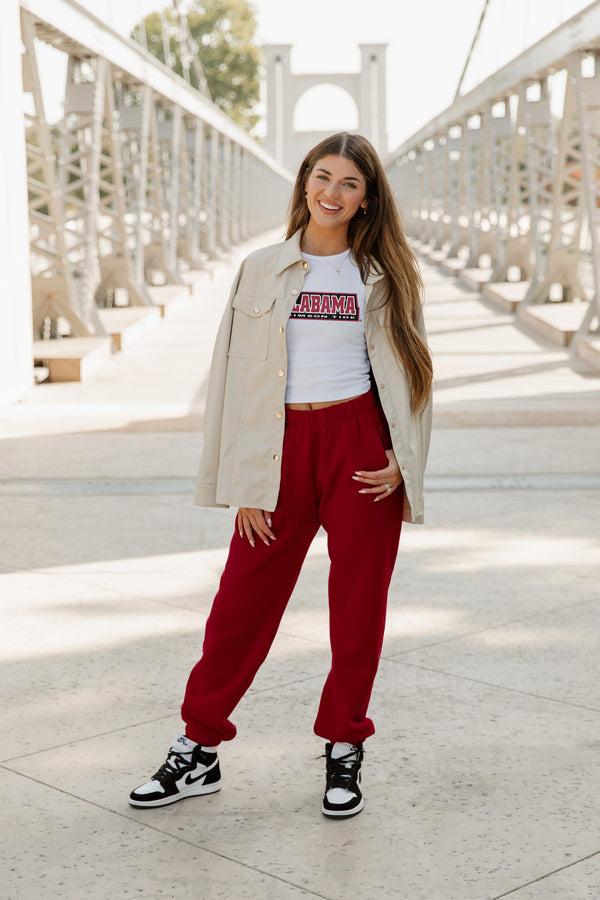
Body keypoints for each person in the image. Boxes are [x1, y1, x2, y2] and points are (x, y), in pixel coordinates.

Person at [129, 131, 434, 819]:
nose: (332, 192)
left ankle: (344, 748)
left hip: (359, 447)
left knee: (358, 610)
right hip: (280, 446)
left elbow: (416, 372)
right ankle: (198, 746)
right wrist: (243, 481)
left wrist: (401, 459)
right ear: (303, 183)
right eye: (322, 177)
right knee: (241, 602)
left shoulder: (384, 274)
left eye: (349, 183)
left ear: (366, 199)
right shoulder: (261, 268)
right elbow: (235, 378)